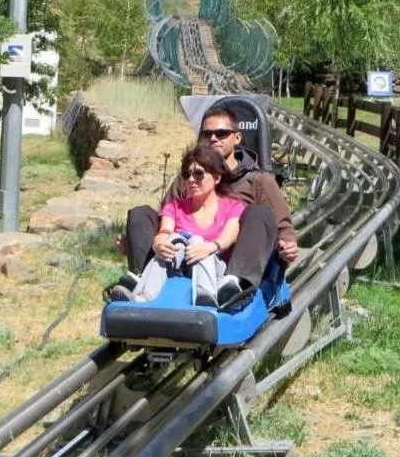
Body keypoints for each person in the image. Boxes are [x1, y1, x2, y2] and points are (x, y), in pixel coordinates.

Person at [115, 105, 299, 306]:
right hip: (182, 257)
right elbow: (165, 218)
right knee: (141, 213)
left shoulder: (259, 181)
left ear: (237, 138)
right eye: (207, 134)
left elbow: (282, 225)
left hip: (228, 260)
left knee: (258, 213)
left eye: (221, 134)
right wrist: (135, 241)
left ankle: (235, 285)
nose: (213, 139)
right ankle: (141, 278)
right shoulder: (188, 179)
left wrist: (287, 244)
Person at [108, 144, 244, 307]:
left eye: (199, 174)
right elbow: (165, 229)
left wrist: (209, 247)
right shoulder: (174, 206)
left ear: (216, 177)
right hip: (179, 264)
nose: (191, 180)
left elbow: (229, 236)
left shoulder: (233, 207)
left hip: (213, 265)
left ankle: (206, 295)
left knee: (197, 242)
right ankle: (143, 296)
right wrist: (159, 243)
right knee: (174, 240)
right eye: (187, 175)